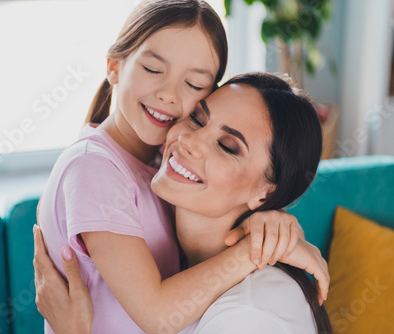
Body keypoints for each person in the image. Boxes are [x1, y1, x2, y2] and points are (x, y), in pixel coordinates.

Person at [36, 1, 328, 333]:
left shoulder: (161, 159)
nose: (169, 95)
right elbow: (159, 315)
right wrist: (256, 250)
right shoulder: (93, 167)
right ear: (114, 66)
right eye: (153, 69)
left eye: (193, 84)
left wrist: (272, 224)